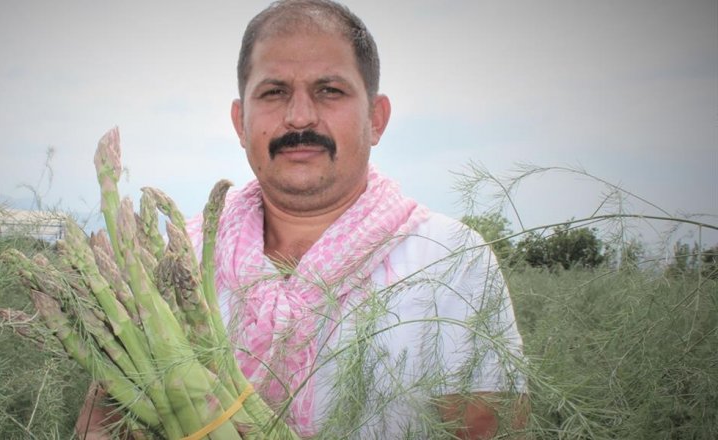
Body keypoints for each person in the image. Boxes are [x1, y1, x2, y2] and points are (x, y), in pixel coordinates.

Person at [77, 1, 527, 438]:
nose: (299, 116)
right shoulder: (172, 260)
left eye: (329, 90)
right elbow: (103, 424)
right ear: (240, 123)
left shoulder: (451, 258)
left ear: (376, 118)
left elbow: (491, 431)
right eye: (273, 93)